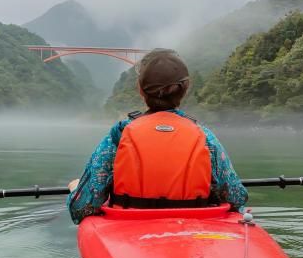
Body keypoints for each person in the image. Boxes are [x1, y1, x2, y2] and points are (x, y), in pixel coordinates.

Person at [67, 48, 248, 223]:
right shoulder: (205, 137)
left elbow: (83, 207)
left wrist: (76, 189)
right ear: (186, 89)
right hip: (192, 235)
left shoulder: (120, 135)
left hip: (130, 235)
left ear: (140, 89)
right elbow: (236, 197)